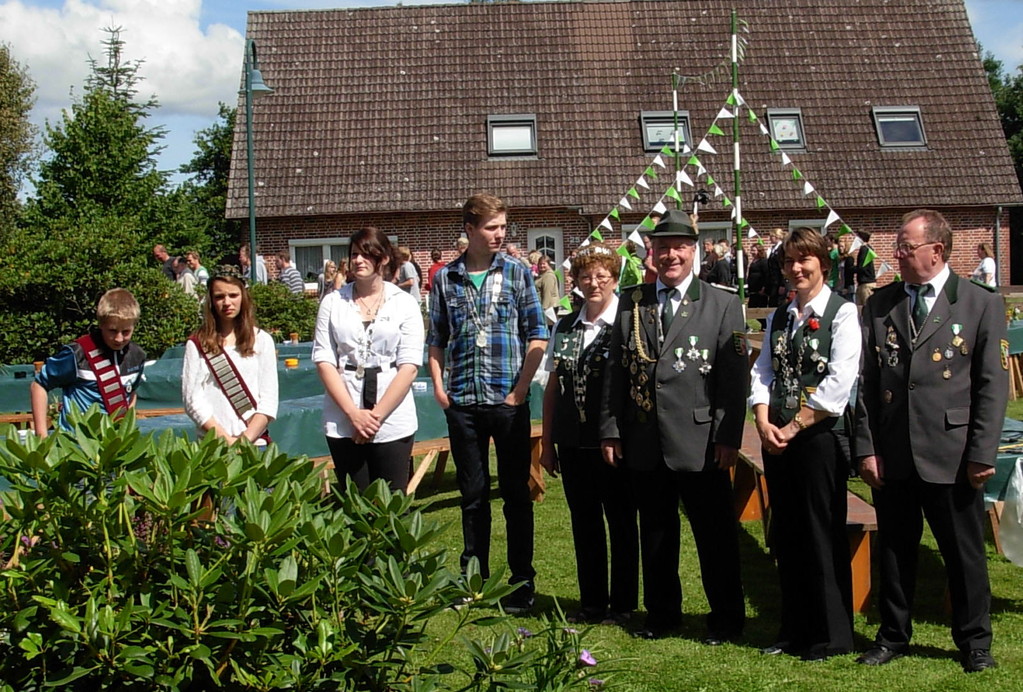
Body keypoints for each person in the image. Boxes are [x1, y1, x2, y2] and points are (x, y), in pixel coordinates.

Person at [853, 209, 1008, 674]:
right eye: (897, 247)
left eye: (904, 247)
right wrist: (866, 448)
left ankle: (974, 641)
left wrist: (982, 453)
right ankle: (893, 635)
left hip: (953, 453)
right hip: (895, 452)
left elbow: (992, 386)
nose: (895, 254)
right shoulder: (881, 305)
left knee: (962, 554)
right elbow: (865, 385)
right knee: (896, 551)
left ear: (936, 251)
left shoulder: (980, 304)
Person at [599, 209, 747, 643]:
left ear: (694, 251)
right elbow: (616, 370)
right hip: (645, 438)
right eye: (663, 247)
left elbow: (732, 380)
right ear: (652, 252)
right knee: (657, 534)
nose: (671, 256)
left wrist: (727, 436)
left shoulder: (722, 303)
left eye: (680, 247)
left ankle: (725, 619)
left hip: (701, 441)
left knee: (715, 537)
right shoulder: (633, 301)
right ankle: (663, 615)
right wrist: (610, 429)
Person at [428, 192, 549, 614]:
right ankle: (473, 580)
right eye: (491, 227)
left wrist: (519, 391)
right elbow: (436, 339)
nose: (500, 235)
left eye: (503, 227)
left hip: (506, 399)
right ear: (470, 229)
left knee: (517, 494)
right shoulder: (446, 278)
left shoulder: (517, 273)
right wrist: (440, 387)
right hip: (462, 401)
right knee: (473, 494)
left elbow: (537, 333)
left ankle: (521, 581)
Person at [749, 227, 861, 661]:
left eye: (804, 260)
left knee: (820, 532)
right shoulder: (780, 315)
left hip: (817, 439)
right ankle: (792, 628)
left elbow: (839, 383)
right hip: (777, 438)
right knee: (787, 533)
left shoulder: (844, 313)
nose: (796, 268)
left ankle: (830, 634)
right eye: (789, 261)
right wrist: (762, 420)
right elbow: (762, 371)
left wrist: (792, 427)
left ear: (823, 264)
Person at [540, 242, 639, 626]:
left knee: (621, 521)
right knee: (584, 523)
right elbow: (552, 386)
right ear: (576, 282)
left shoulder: (627, 323)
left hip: (614, 441)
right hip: (572, 441)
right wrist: (548, 444)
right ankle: (593, 602)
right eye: (586, 276)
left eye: (601, 276)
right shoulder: (565, 325)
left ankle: (624, 604)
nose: (594, 282)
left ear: (614, 279)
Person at [313, 227, 424, 492]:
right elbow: (324, 359)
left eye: (366, 254)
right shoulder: (332, 302)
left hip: (392, 416)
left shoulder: (404, 303)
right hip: (344, 415)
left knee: (392, 502)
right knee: (355, 504)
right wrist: (354, 415)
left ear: (384, 258)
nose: (358, 260)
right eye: (354, 255)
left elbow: (409, 366)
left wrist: (375, 417)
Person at [182, 266, 279, 445]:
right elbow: (192, 400)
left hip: (254, 445)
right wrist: (226, 440)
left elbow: (269, 400)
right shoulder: (197, 344)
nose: (227, 302)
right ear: (211, 301)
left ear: (243, 297)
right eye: (219, 296)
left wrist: (244, 441)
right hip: (213, 445)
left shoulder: (262, 340)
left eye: (233, 295)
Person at [31, 289, 146, 436]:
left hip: (113, 444)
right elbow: (39, 385)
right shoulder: (78, 353)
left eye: (126, 332)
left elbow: (132, 391)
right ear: (101, 324)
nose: (119, 338)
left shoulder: (137, 355)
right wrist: (41, 436)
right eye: (112, 330)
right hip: (75, 444)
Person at [534, 253, 561, 322]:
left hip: (549, 307)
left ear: (548, 264)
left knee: (549, 326)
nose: (541, 266)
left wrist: (544, 309)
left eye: (544, 264)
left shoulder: (548, 276)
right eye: (540, 264)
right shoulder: (542, 275)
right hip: (545, 306)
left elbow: (547, 293)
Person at [765, 228, 788, 307]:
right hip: (773, 281)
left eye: (772, 236)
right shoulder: (773, 249)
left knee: (778, 303)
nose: (770, 238)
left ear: (777, 236)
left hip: (779, 281)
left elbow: (782, 267)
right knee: (772, 302)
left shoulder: (781, 248)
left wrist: (782, 284)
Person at [853, 230, 877, 306]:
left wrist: (851, 269)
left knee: (866, 307)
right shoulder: (866, 249)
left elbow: (862, 267)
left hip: (866, 283)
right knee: (860, 308)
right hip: (864, 283)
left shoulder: (864, 249)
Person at [747, 242, 769, 307]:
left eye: (754, 250)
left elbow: (766, 275)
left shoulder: (763, 261)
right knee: (751, 306)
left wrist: (763, 288)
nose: (752, 252)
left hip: (760, 289)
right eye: (751, 250)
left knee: (761, 307)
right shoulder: (754, 261)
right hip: (753, 289)